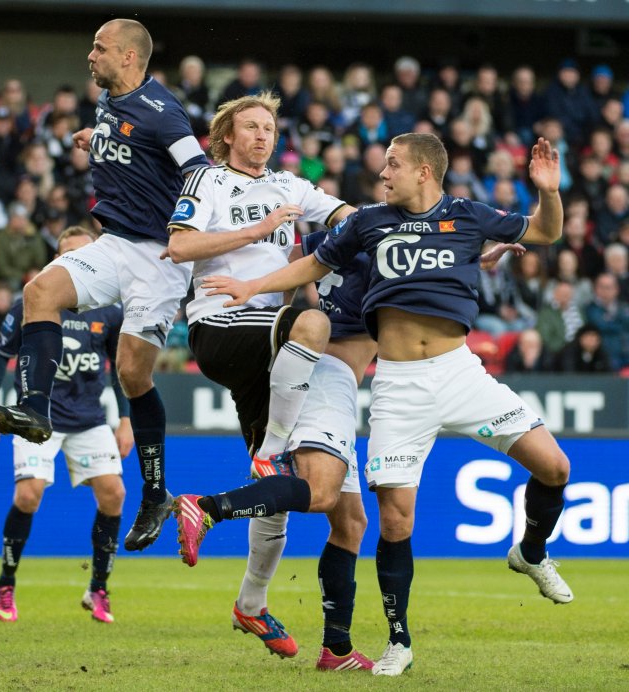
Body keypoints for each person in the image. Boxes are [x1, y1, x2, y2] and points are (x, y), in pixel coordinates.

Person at [201, 133, 572, 676]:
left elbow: (546, 230)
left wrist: (549, 191)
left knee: (556, 466)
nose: (383, 173)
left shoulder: (469, 215)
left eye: (393, 164)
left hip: (461, 372)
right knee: (395, 522)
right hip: (398, 384)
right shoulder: (368, 221)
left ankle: (532, 553)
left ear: (425, 171)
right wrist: (249, 285)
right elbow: (310, 267)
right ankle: (400, 640)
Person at [0, 19, 208, 552]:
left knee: (132, 373)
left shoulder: (163, 111)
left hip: (159, 255)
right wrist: (94, 138)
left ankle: (155, 495)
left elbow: (198, 170)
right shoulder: (109, 104)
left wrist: (193, 234)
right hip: (113, 242)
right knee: (39, 293)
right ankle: (36, 409)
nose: (89, 55)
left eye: (99, 48)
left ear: (129, 57)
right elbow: (122, 142)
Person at [166, 91, 369, 668]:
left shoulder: (291, 187)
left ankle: (250, 604)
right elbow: (179, 246)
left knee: (276, 497)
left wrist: (415, 229)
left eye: (270, 127)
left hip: (277, 359)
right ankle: (272, 450)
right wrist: (255, 233)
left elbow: (348, 219)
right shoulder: (206, 182)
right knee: (312, 320)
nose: (262, 136)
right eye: (250, 127)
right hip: (226, 326)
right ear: (227, 135)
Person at [0, 226, 134, 624]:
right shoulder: (33, 301)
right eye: (69, 255)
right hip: (38, 417)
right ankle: (6, 583)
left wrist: (126, 420)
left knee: (114, 494)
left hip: (88, 419)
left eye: (86, 254)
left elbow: (119, 371)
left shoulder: (108, 311)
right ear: (57, 260)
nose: (79, 263)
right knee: (28, 496)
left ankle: (98, 588)